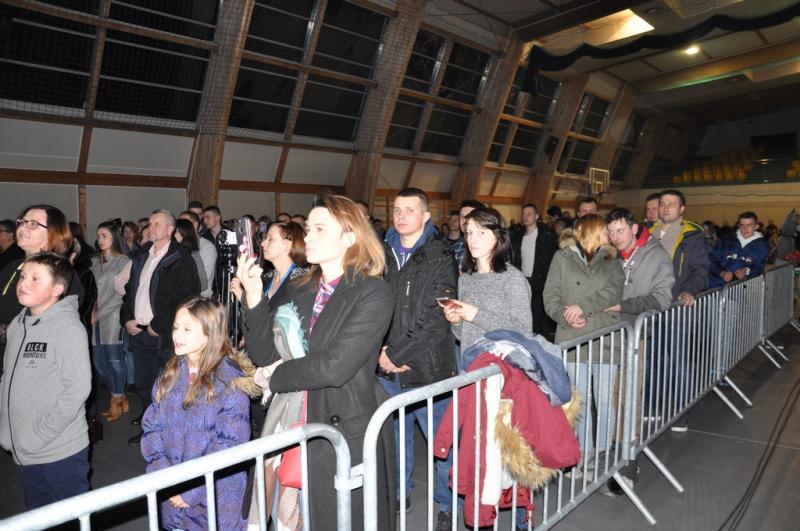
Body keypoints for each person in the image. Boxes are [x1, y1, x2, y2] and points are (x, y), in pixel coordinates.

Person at [236, 194, 395, 530]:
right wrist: (253, 296)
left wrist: (275, 376)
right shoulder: (299, 287)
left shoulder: (372, 292)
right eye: (308, 229)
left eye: (320, 229)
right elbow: (265, 354)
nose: (308, 237)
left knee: (339, 520)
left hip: (342, 425)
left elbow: (334, 366)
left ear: (349, 237)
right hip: (292, 418)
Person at [380, 187, 457, 529]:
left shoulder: (440, 255)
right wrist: (380, 352)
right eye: (397, 210)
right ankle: (400, 493)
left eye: (409, 210)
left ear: (426, 216)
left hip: (428, 367)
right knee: (397, 437)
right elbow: (372, 306)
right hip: (388, 367)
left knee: (442, 443)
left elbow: (437, 317)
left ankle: (448, 504)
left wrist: (396, 354)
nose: (401, 216)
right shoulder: (382, 253)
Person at [141, 298, 251, 531]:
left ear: (210, 334)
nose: (177, 335)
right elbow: (152, 428)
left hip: (214, 499)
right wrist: (164, 477)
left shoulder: (230, 382)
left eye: (187, 329)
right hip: (172, 495)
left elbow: (228, 445)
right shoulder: (170, 375)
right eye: (175, 327)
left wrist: (190, 490)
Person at [0, 253, 92, 509]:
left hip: (58, 451)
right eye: (22, 277)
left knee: (70, 516)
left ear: (57, 289)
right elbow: (8, 377)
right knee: (39, 514)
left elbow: (77, 389)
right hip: (23, 450)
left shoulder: (67, 328)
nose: (23, 283)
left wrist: (39, 435)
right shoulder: (18, 325)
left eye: (35, 279)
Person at [543, 214, 624, 467]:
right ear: (591, 231)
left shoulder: (613, 261)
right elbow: (550, 295)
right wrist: (565, 316)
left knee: (605, 400)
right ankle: (583, 452)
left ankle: (603, 454)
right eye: (605, 230)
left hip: (604, 335)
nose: (610, 235)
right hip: (573, 336)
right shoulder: (562, 257)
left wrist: (582, 307)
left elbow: (613, 293)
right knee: (580, 401)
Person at [120, 209, 200, 446]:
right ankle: (151, 428)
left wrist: (159, 324)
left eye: (157, 224)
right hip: (139, 332)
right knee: (143, 383)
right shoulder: (141, 256)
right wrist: (127, 318)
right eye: (150, 223)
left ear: (170, 229)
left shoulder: (181, 259)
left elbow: (186, 298)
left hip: (165, 335)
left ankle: (172, 432)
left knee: (170, 386)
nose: (151, 227)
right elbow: (129, 292)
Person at [233, 220, 307, 431]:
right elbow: (258, 318)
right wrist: (244, 300)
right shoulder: (267, 278)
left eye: (270, 239)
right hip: (260, 357)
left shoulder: (300, 282)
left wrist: (247, 299)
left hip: (280, 363)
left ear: (289, 244)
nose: (263, 243)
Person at [650, 190, 710, 432]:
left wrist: (690, 290)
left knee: (679, 362)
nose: (666, 208)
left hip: (676, 309)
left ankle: (680, 412)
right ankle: (652, 406)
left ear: (682, 209)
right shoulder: (647, 233)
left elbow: (701, 269)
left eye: (672, 204)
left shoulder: (692, 236)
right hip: (650, 309)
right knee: (653, 362)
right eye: (662, 204)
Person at [0, 205, 83, 374]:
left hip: (34, 364)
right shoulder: (13, 266)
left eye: (33, 224)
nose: (22, 227)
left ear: (52, 234)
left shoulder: (61, 273)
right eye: (22, 222)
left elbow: (56, 325)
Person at [443, 207, 532, 354]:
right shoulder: (465, 279)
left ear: (497, 237)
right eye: (469, 233)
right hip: (471, 362)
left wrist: (475, 315)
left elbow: (523, 332)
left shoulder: (512, 278)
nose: (473, 239)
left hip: (502, 364)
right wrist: (456, 322)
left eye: (481, 233)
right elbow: (463, 336)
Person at [91, 221, 132, 422]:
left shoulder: (123, 261)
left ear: (114, 238)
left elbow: (120, 296)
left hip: (113, 318)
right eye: (98, 236)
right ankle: (120, 395)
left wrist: (99, 313)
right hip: (95, 318)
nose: (100, 240)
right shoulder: (95, 262)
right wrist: (92, 311)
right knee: (99, 363)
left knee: (115, 361)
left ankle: (116, 399)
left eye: (104, 236)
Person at [510, 203, 558, 338]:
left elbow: (552, 258)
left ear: (536, 216)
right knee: (523, 315)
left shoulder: (546, 235)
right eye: (523, 213)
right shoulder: (518, 236)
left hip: (540, 281)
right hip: (522, 280)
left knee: (537, 316)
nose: (525, 216)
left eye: (529, 214)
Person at [709, 211, 769, 289]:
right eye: (742, 225)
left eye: (749, 225)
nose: (745, 228)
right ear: (738, 226)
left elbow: (759, 267)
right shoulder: (726, 240)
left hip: (743, 289)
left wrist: (746, 271)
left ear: (756, 226)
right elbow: (712, 259)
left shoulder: (762, 246)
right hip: (717, 286)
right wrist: (721, 273)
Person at [179, 211, 217, 298]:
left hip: (200, 299)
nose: (182, 227)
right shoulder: (178, 246)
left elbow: (203, 279)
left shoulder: (207, 247)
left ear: (195, 225)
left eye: (185, 223)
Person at [174, 219, 209, 297]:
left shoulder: (193, 254)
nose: (172, 235)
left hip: (186, 298)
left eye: (176, 232)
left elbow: (203, 282)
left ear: (184, 233)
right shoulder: (173, 252)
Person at [453, 199, 486, 268]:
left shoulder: (489, 247)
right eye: (462, 216)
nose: (464, 221)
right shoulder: (456, 247)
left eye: (469, 216)